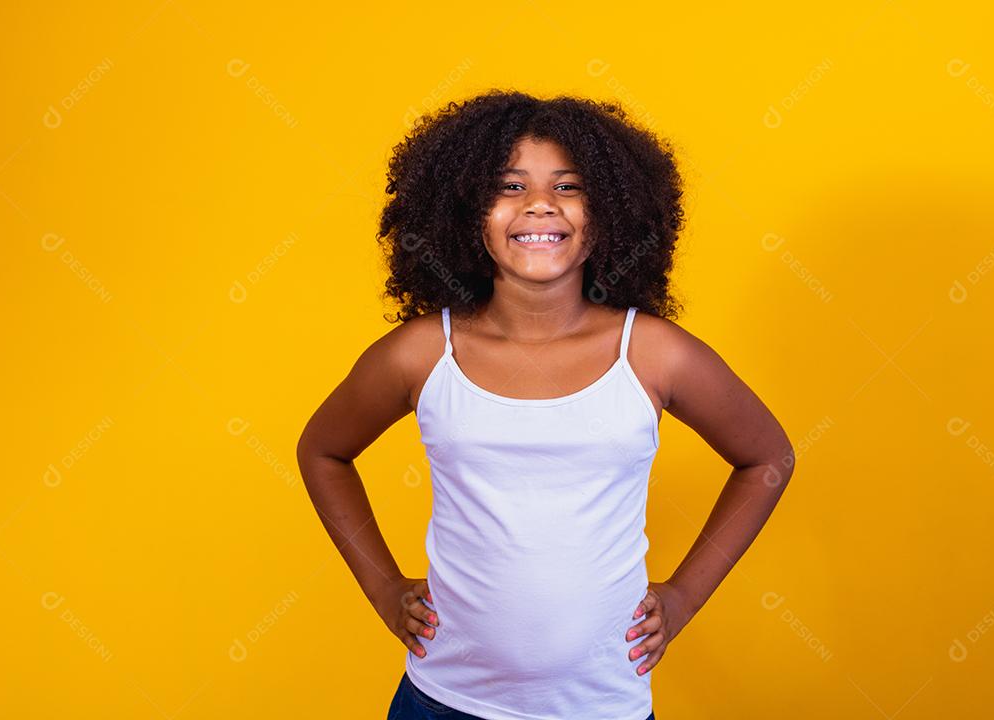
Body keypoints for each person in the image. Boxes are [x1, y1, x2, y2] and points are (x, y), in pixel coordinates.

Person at [296, 90, 796, 720]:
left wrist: (684, 597)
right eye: (510, 186)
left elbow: (767, 458)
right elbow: (323, 451)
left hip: (602, 706)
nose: (539, 204)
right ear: (465, 211)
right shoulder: (422, 353)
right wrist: (384, 587)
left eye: (568, 186)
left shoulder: (652, 354)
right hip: (444, 700)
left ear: (610, 210)